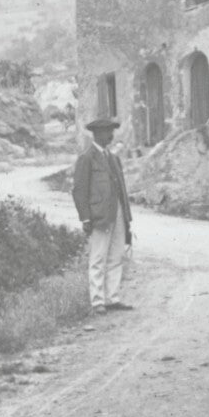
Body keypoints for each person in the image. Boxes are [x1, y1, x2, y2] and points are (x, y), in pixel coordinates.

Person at [71, 116, 134, 313]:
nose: (111, 135)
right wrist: (86, 218)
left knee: (116, 256)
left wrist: (126, 217)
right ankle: (97, 301)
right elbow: (79, 190)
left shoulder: (113, 158)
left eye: (112, 131)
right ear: (97, 134)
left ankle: (112, 298)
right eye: (108, 131)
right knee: (98, 259)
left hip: (117, 214)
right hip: (99, 216)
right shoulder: (87, 158)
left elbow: (121, 189)